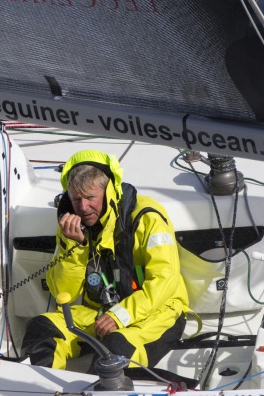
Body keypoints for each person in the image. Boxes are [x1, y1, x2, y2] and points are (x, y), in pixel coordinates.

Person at [22, 149, 191, 370]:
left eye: (91, 198)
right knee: (41, 327)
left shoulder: (147, 216)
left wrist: (121, 315)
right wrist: (75, 246)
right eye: (76, 199)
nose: (83, 208)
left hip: (155, 311)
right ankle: (38, 392)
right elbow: (63, 293)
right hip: (100, 312)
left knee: (116, 350)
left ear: (109, 191)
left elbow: (165, 279)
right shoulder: (70, 226)